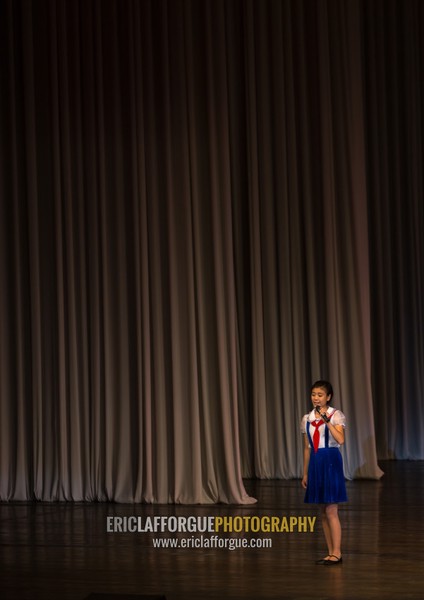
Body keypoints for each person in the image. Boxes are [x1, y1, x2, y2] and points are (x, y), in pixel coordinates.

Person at [301, 380, 347, 565]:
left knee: (331, 509)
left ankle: (337, 553)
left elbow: (341, 440)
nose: (316, 398)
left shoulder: (336, 415)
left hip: (330, 460)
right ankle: (330, 552)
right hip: (316, 461)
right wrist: (305, 473)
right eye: (313, 394)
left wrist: (327, 421)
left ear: (328, 397)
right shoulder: (307, 418)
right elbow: (306, 448)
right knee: (322, 510)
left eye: (320, 395)